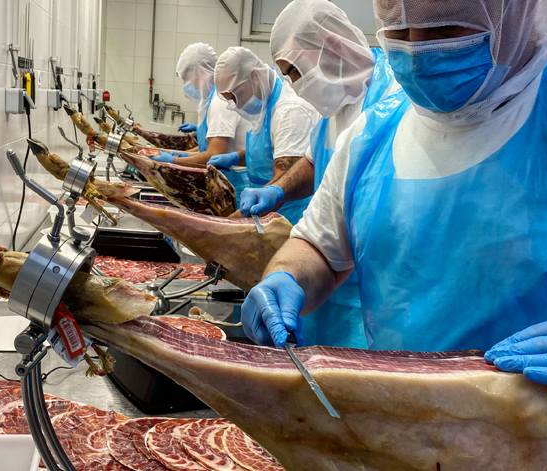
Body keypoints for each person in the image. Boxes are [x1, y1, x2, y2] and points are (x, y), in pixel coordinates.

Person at [240, 0, 547, 467]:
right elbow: (318, 246)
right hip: (402, 447)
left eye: (444, 30)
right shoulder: (373, 131)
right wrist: (286, 277)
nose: (418, 56)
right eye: (399, 34)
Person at [235, 0, 400, 347]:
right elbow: (313, 162)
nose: (294, 84)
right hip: (320, 284)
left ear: (332, 47)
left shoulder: (396, 95)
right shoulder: (332, 107)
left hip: (373, 302)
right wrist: (278, 190)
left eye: (295, 71)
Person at [211, 46, 319, 224]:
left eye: (237, 96)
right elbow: (269, 152)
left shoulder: (290, 111)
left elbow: (286, 180)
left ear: (254, 77)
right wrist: (235, 158)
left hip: (289, 218)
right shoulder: (264, 105)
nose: (237, 105)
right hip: (266, 216)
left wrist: (223, 225)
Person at [150, 43, 252, 198]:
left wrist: (173, 161)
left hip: (238, 186)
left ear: (200, 72)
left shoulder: (220, 101)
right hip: (226, 181)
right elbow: (209, 149)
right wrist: (180, 155)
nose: (185, 85)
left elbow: (214, 154)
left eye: (186, 78)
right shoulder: (210, 101)